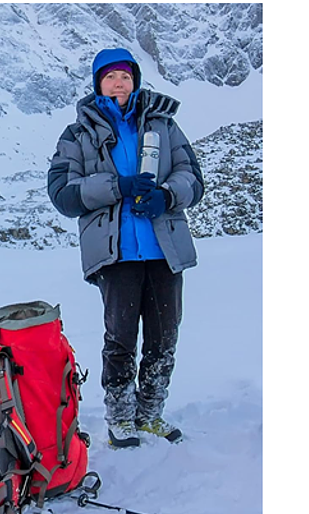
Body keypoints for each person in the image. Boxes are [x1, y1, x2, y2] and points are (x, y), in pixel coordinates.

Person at [46, 47, 204, 448]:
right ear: (98, 84)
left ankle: (150, 413)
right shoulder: (78, 135)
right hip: (115, 254)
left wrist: (167, 196)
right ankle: (120, 418)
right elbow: (63, 193)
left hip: (163, 248)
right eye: (111, 77)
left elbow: (192, 176)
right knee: (120, 338)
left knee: (164, 335)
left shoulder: (163, 126)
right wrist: (118, 186)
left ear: (136, 81)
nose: (120, 83)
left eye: (126, 77)